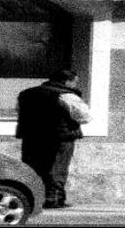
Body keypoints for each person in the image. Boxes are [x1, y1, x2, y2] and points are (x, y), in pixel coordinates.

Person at [16, 70, 92, 208]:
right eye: (75, 82)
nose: (75, 85)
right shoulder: (66, 95)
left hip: (31, 136)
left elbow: (20, 112)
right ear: (67, 81)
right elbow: (84, 116)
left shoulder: (26, 93)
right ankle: (53, 199)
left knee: (33, 167)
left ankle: (33, 198)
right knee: (57, 168)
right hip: (60, 137)